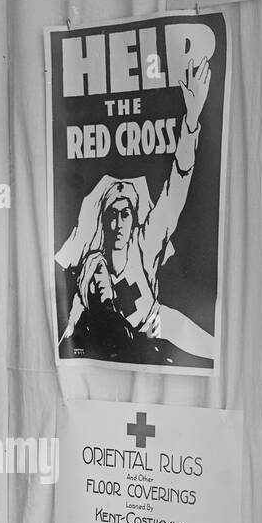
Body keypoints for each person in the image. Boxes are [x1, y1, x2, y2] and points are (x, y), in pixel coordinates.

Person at [57, 54, 216, 364]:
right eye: (112, 214)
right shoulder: (91, 269)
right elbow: (66, 335)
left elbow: (177, 185)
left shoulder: (145, 244)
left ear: (134, 219)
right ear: (101, 220)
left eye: (125, 213)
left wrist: (192, 120)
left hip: (158, 340)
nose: (118, 223)